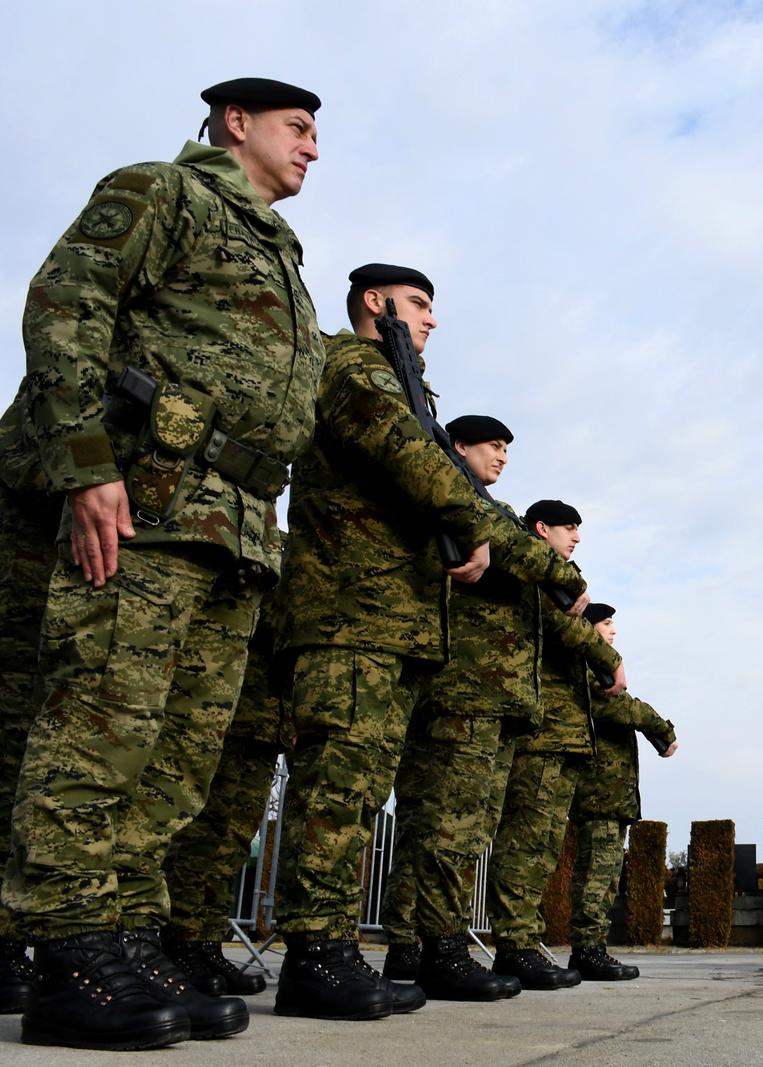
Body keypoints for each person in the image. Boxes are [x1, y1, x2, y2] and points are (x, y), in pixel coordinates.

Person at [3, 77, 324, 1051]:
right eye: (298, 128)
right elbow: (68, 304)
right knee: (102, 723)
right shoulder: (164, 193)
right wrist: (86, 462)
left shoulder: (280, 250)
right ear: (237, 123)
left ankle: (126, 937)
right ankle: (67, 945)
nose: (314, 148)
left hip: (232, 525)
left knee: (177, 754)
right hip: (147, 496)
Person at [269, 267, 591, 1023]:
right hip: (352, 614)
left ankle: (351, 947)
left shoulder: (399, 384)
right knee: (339, 792)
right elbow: (418, 462)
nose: (432, 321)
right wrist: (479, 526)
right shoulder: (355, 366)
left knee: (361, 794)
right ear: (375, 307)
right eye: (419, 305)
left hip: (391, 624)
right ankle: (317, 951)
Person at [379, 413, 619, 1000]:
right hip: (466, 690)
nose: (503, 456)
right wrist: (599, 643)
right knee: (448, 824)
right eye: (493, 445)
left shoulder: (486, 515)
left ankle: (420, 945)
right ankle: (436, 945)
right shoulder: (459, 502)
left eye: (508, 448)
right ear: (457, 446)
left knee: (461, 826)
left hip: (493, 695)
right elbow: (528, 571)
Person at [484, 500, 618, 979]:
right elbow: (566, 630)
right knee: (524, 841)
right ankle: (513, 943)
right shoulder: (534, 571)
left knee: (539, 846)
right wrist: (608, 658)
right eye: (568, 529)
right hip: (539, 733)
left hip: (554, 733)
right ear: (541, 529)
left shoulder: (554, 577)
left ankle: (522, 940)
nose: (576, 537)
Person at [158, 618, 284, 996]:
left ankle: (207, 941)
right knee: (204, 831)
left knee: (234, 841)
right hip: (228, 707)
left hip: (267, 715)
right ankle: (180, 939)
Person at [566, 602, 676, 980]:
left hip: (611, 794)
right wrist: (661, 728)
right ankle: (587, 950)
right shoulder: (587, 670)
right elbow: (623, 709)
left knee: (606, 874)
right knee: (596, 873)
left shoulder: (597, 670)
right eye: (607, 624)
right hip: (598, 792)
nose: (613, 631)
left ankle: (593, 948)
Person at [0, 390, 62, 1014]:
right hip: (19, 610)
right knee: (10, 763)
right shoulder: (49, 400)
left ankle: (19, 939)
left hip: (58, 614)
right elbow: (23, 462)